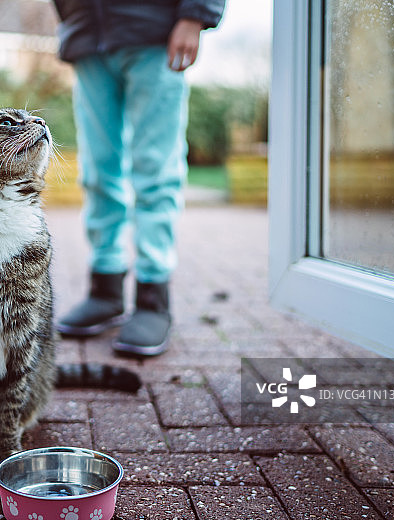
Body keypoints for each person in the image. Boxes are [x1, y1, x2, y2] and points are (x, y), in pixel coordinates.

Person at [52, 0, 226, 356]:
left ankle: (153, 298)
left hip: (154, 31)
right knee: (98, 172)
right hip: (87, 38)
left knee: (155, 174)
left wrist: (194, 16)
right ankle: (105, 290)